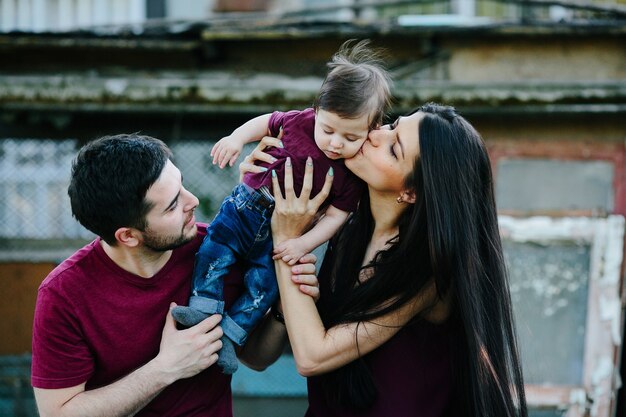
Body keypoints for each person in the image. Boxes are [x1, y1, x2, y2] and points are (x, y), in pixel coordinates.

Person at [249, 103, 528, 416]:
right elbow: (256, 357)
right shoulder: (344, 229)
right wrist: (257, 181)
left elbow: (312, 356)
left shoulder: (428, 272)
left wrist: (287, 240)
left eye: (394, 148)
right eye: (391, 125)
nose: (375, 136)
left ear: (411, 191)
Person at [30, 133, 307, 417]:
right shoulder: (64, 294)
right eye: (173, 205)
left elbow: (256, 358)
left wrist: (283, 305)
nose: (193, 201)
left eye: (182, 185)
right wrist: (166, 368)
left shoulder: (217, 250)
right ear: (128, 236)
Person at [171, 40, 392, 374]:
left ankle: (231, 336)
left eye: (350, 137)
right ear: (316, 112)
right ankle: (202, 307)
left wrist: (303, 243)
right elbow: (266, 122)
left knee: (264, 286)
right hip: (245, 207)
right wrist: (235, 138)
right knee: (213, 252)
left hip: (282, 238)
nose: (335, 143)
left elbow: (337, 216)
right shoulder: (299, 122)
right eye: (329, 130)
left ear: (372, 130)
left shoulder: (352, 175)